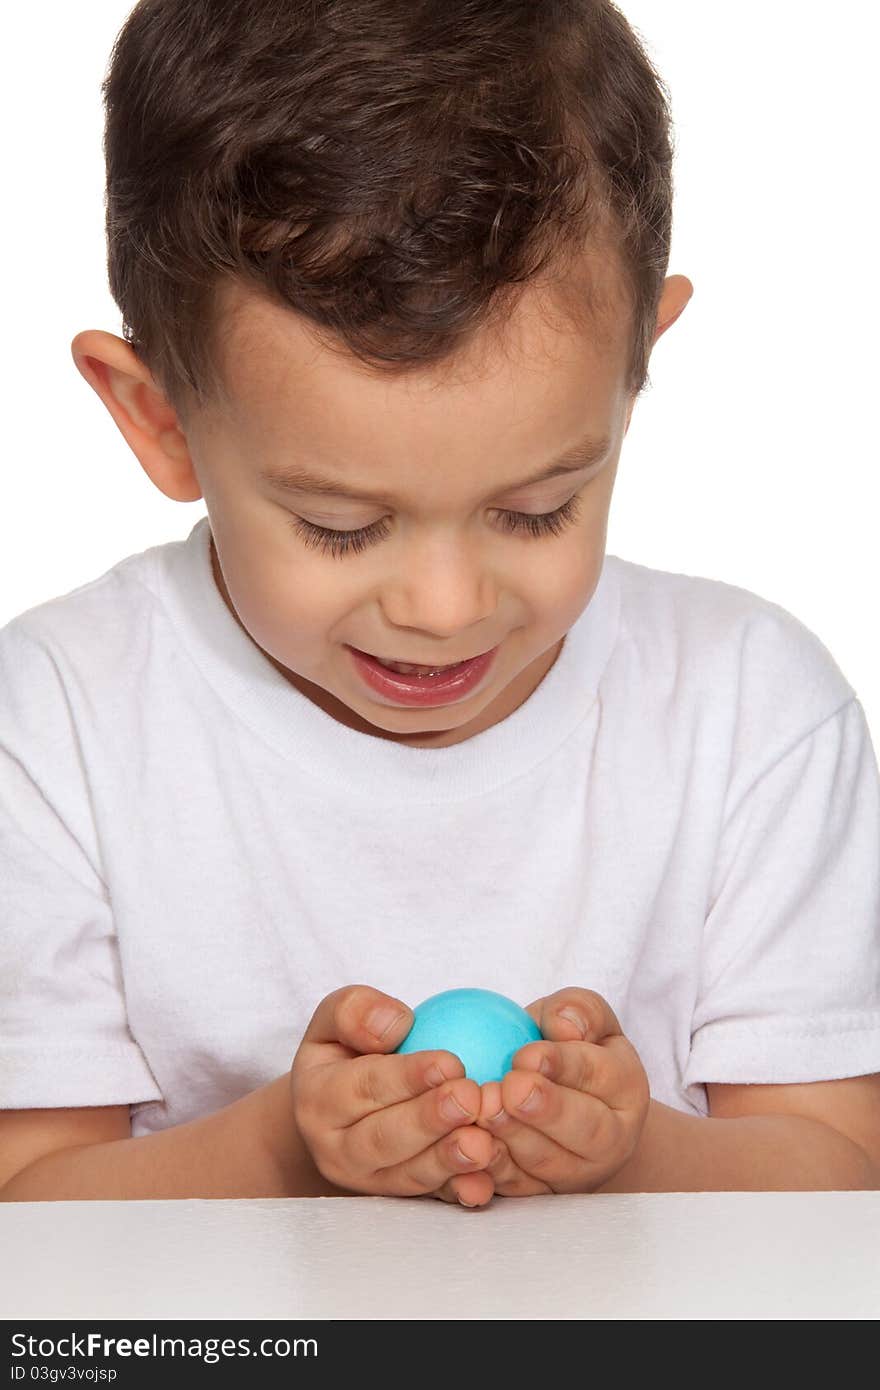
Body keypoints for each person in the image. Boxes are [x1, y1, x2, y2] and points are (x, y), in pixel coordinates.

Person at [2, 0, 878, 1208]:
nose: (444, 606)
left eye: (536, 508)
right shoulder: (58, 727)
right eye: (341, 525)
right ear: (158, 419)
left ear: (639, 360)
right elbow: (30, 1199)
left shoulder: (751, 714)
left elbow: (837, 1172)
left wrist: (637, 1149)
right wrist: (282, 1147)